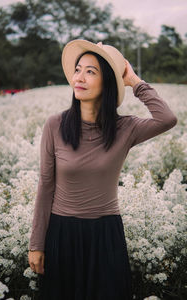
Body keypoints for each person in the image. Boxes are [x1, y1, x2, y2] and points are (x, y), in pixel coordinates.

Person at [28, 39, 177, 300]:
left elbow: (167, 119)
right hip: (62, 234)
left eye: (91, 71)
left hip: (106, 235)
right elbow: (46, 185)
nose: (80, 77)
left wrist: (134, 81)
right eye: (78, 69)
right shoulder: (54, 125)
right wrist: (36, 244)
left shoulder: (125, 128)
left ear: (107, 82)